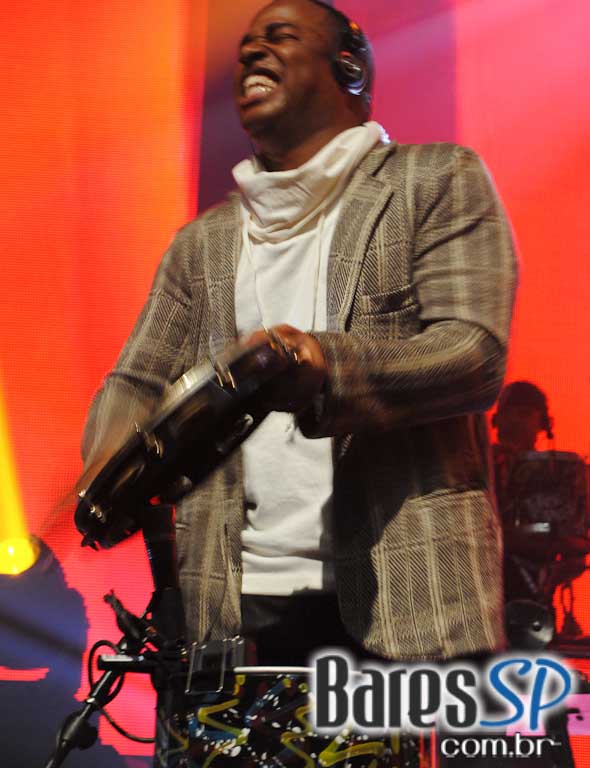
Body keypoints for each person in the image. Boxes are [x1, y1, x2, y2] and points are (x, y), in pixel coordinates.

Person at [81, 0, 517, 664]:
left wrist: (324, 366)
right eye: (245, 47)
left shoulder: (435, 180)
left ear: (348, 69)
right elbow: (136, 382)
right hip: (238, 612)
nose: (251, 53)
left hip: (412, 606)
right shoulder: (201, 244)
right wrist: (108, 467)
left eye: (279, 37)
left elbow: (473, 354)